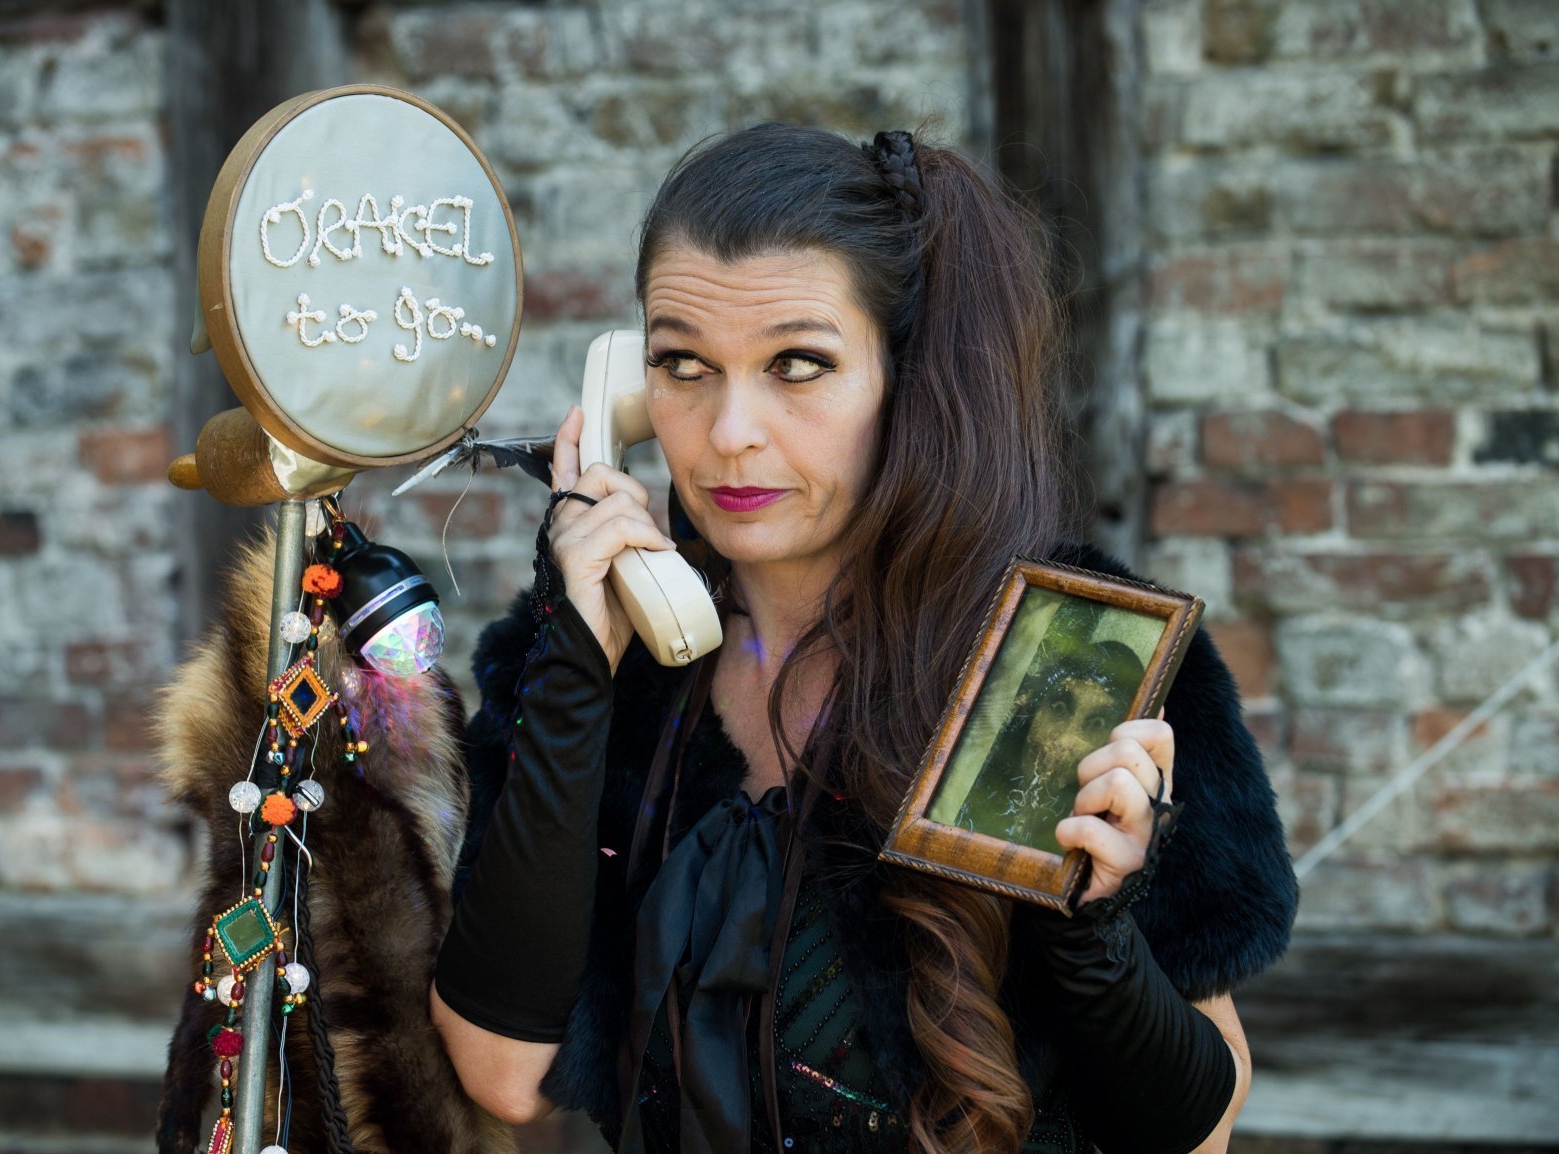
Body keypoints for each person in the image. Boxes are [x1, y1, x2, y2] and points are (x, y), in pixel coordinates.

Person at [429, 123, 1297, 1153]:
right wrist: (576, 664)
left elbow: (1198, 1132)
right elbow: (503, 1070)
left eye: (798, 363)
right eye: (681, 363)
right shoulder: (599, 663)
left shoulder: (1063, 648)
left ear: (905, 376)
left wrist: (1092, 934)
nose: (729, 428)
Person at [950, 635, 1148, 853]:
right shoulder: (966, 773)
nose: (1064, 740)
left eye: (1096, 724)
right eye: (1060, 707)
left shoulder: (1095, 837)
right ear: (1033, 707)